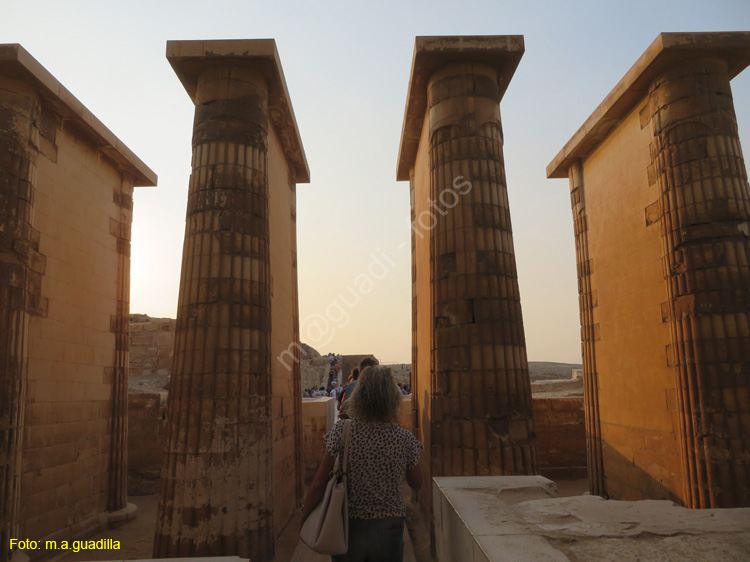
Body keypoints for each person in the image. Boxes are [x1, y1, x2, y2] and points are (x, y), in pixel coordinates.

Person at [302, 366, 423, 561]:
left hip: (349, 525)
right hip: (390, 526)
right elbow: (417, 482)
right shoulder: (404, 438)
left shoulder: (342, 431)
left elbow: (319, 483)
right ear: (392, 399)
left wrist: (304, 514)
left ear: (360, 396)